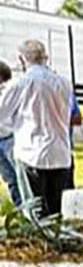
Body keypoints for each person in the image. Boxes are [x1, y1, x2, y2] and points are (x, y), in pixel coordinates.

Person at [0, 40, 72, 217]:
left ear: (22, 60)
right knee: (55, 212)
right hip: (60, 154)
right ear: (45, 58)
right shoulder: (63, 83)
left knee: (36, 213)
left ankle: (43, 243)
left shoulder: (20, 83)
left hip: (32, 153)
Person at [0, 61, 21, 206]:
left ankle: (29, 210)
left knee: (20, 176)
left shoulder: (9, 91)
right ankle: (20, 207)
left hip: (10, 138)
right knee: (10, 179)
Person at [65, 89, 83, 189]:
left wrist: (61, 117)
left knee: (67, 191)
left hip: (65, 151)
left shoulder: (67, 92)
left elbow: (78, 118)